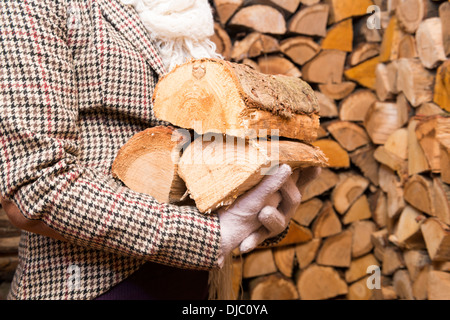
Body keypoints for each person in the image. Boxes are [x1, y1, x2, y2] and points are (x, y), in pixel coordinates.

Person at [0, 0, 319, 300]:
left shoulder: (185, 13)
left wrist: (263, 201)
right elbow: (35, 183)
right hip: (96, 285)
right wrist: (211, 236)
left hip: (199, 282)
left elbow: (206, 147)